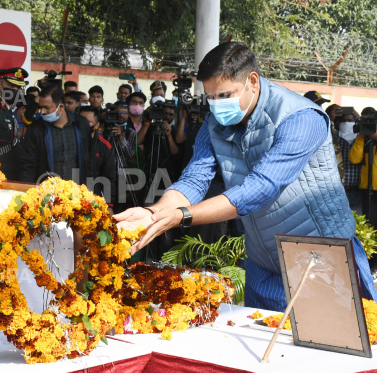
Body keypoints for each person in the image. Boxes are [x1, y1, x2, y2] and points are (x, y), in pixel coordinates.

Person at [115, 42, 377, 311]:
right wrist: (154, 213)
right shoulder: (215, 124)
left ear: (252, 80)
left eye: (225, 95)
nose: (216, 106)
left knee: (329, 349)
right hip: (263, 265)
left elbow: (261, 189)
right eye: (211, 98)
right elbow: (194, 178)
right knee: (260, 347)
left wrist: (182, 216)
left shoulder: (300, 117)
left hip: (321, 263)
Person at [19, 85, 91, 185]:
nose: (42, 112)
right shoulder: (35, 129)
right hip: (45, 193)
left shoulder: (81, 124)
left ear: (61, 107)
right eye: (41, 107)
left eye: (46, 108)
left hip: (76, 192)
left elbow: (88, 158)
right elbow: (28, 165)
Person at [80, 106, 116, 208]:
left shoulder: (105, 147)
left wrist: (108, 205)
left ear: (96, 125)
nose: (84, 125)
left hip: (94, 201)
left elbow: (109, 178)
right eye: (81, 122)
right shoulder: (70, 143)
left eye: (88, 122)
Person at [349, 107, 377, 228]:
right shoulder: (363, 140)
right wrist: (361, 138)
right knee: (369, 224)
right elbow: (354, 159)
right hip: (367, 189)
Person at [333, 109, 364, 215]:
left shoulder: (362, 139)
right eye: (344, 120)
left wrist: (359, 118)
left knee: (358, 225)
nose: (346, 123)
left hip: (357, 192)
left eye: (350, 120)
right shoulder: (334, 138)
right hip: (338, 191)